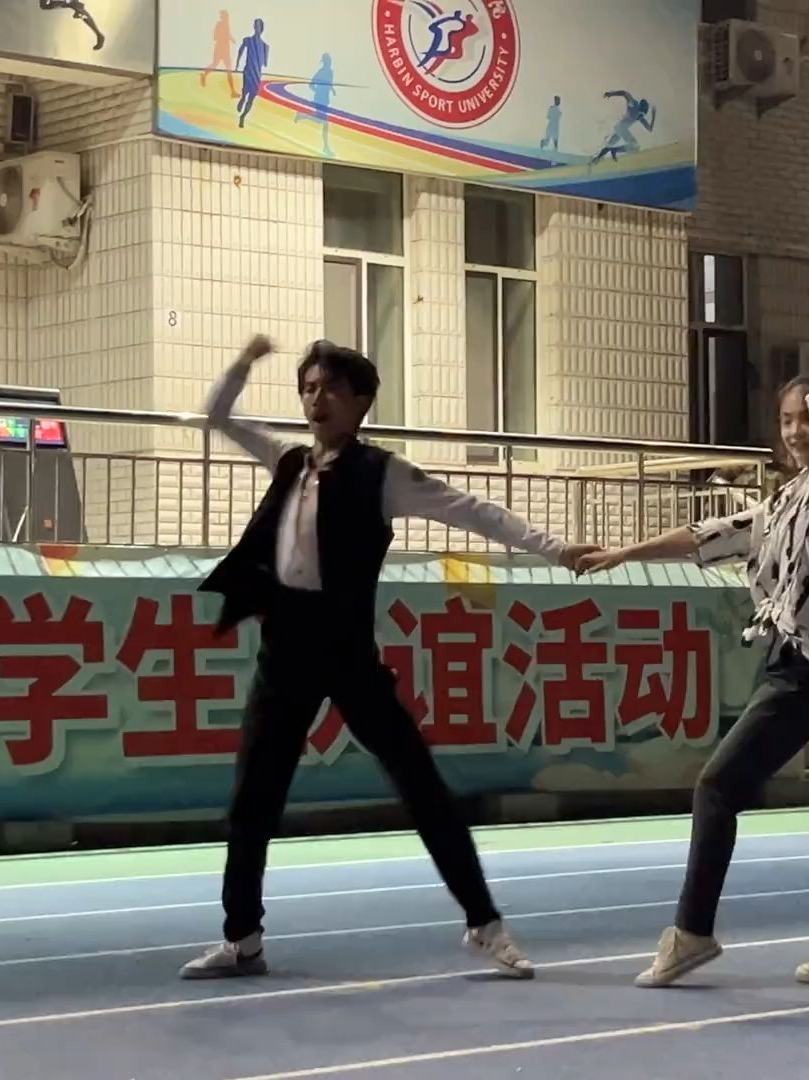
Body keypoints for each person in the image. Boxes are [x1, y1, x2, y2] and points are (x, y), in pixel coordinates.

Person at [181, 335, 594, 981]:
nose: (316, 399)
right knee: (252, 798)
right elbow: (218, 415)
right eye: (308, 388)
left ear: (361, 401)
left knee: (421, 785)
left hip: (346, 650)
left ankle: (485, 924)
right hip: (283, 648)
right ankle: (243, 941)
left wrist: (556, 549)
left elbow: (474, 512)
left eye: (331, 388)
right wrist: (244, 362)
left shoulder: (384, 474)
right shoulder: (287, 461)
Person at [578, 272, 809, 990]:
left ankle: (692, 932)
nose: (795, 430)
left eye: (805, 419)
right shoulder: (782, 504)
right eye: (785, 421)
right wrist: (623, 553)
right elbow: (704, 535)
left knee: (719, 786)